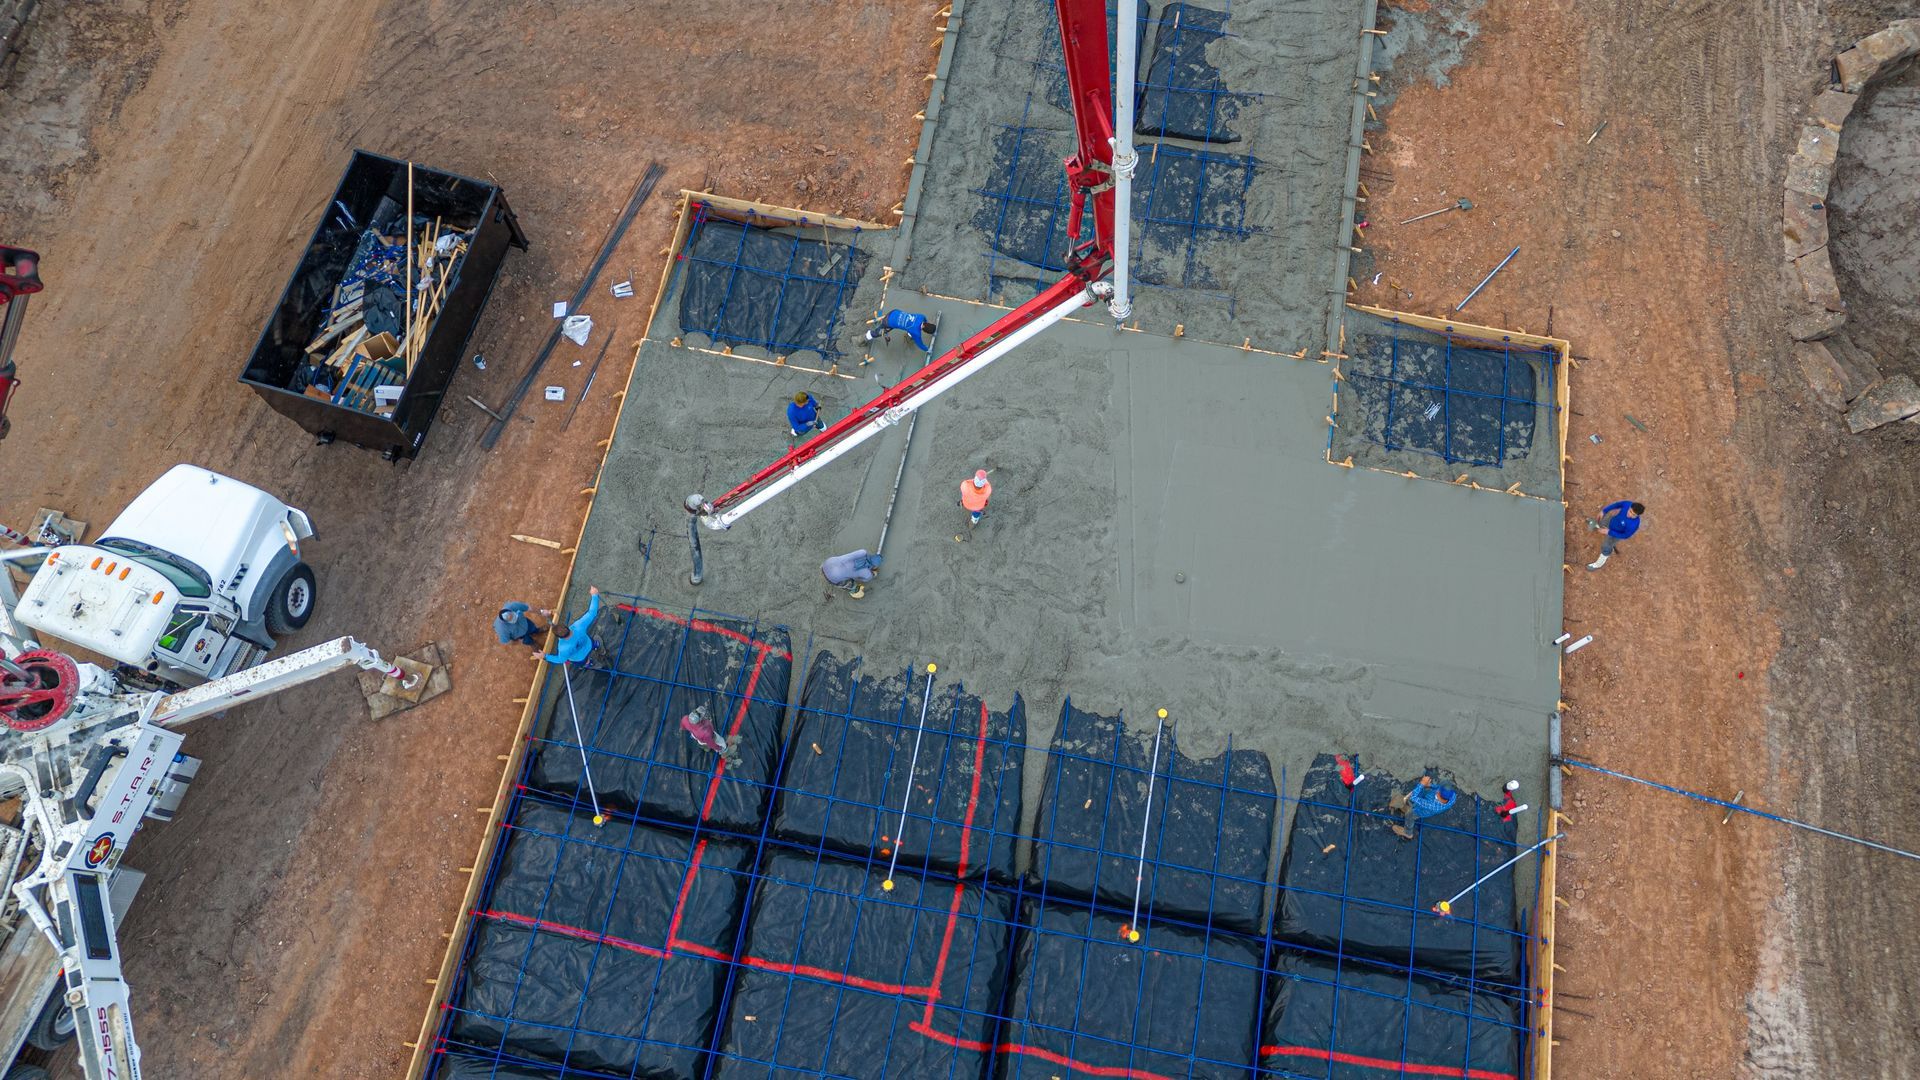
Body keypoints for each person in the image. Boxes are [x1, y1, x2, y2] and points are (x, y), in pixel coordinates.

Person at [544, 585, 602, 665]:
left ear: (559, 637)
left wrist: (545, 656)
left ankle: (589, 663)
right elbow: (592, 612)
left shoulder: (562, 648)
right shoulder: (578, 626)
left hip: (580, 658)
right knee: (593, 643)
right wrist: (594, 595)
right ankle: (596, 646)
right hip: (588, 644)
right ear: (567, 627)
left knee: (584, 661)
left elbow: (560, 660)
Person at [1388, 775, 1456, 839]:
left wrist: (1422, 783)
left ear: (1438, 793)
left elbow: (1413, 797)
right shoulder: (1452, 795)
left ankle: (1408, 833)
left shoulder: (1432, 805)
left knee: (1409, 815)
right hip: (1426, 800)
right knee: (1417, 801)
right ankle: (1407, 808)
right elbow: (1438, 787)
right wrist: (1429, 785)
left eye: (1439, 789)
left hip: (1420, 811)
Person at [1587, 500, 1644, 571]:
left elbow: (1625, 536)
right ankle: (1595, 525)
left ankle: (1598, 564)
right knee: (1602, 522)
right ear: (1630, 507)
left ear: (1637, 515)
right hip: (1612, 520)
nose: (1630, 514)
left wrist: (1609, 532)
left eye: (1633, 515)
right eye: (1630, 511)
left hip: (1616, 534)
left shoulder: (1633, 525)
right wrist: (1604, 511)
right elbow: (1617, 504)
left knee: (1606, 546)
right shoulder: (1628, 504)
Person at [863, 309, 938, 351]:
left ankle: (909, 334)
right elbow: (920, 345)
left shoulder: (921, 317)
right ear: (925, 331)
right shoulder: (916, 332)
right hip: (888, 322)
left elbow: (925, 320)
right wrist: (928, 349)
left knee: (909, 328)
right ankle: (867, 336)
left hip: (894, 312)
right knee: (879, 332)